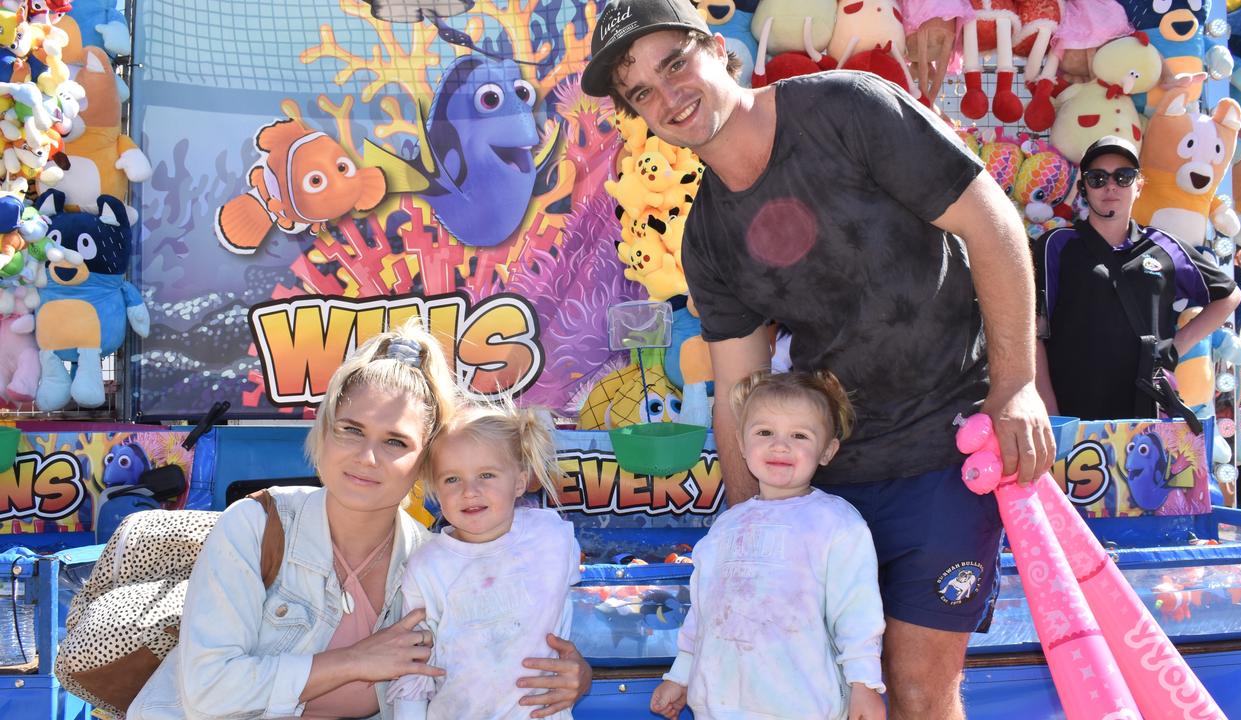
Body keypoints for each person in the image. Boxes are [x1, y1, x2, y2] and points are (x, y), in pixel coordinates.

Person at [581, 2, 1051, 716]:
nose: (667, 95)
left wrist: (1016, 386)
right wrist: (752, 530)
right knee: (830, 689)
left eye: (674, 62)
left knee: (920, 688)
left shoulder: (847, 106)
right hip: (830, 480)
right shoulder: (706, 237)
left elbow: (991, 221)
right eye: (641, 90)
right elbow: (743, 393)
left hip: (946, 447)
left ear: (716, 50)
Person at [129, 321, 590, 720]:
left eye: (395, 442)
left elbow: (478, 667)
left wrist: (574, 677)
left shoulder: (429, 563)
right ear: (323, 430)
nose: (366, 457)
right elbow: (208, 691)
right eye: (351, 430)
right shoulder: (255, 527)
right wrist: (354, 661)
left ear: (424, 462)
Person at [649, 370, 883, 720]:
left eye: (799, 435)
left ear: (827, 450)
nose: (780, 445)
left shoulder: (836, 524)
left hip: (802, 706)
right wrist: (680, 676)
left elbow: (856, 613)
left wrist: (864, 684)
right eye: (764, 432)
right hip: (718, 706)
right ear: (741, 444)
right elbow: (703, 611)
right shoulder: (726, 527)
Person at [386, 401, 580, 718]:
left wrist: (580, 667)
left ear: (519, 481)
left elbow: (567, 615)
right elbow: (413, 664)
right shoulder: (428, 567)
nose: (469, 491)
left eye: (486, 475)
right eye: (452, 479)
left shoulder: (551, 538)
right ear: (435, 489)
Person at [1034, 136, 1241, 420]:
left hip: (1147, 415)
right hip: (1073, 416)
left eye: (1123, 176)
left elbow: (1229, 295)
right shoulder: (1055, 245)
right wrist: (1050, 412)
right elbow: (1031, 332)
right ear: (1083, 188)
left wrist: (1175, 347)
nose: (1110, 186)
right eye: (1097, 178)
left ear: (1139, 186)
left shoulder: (1164, 247)